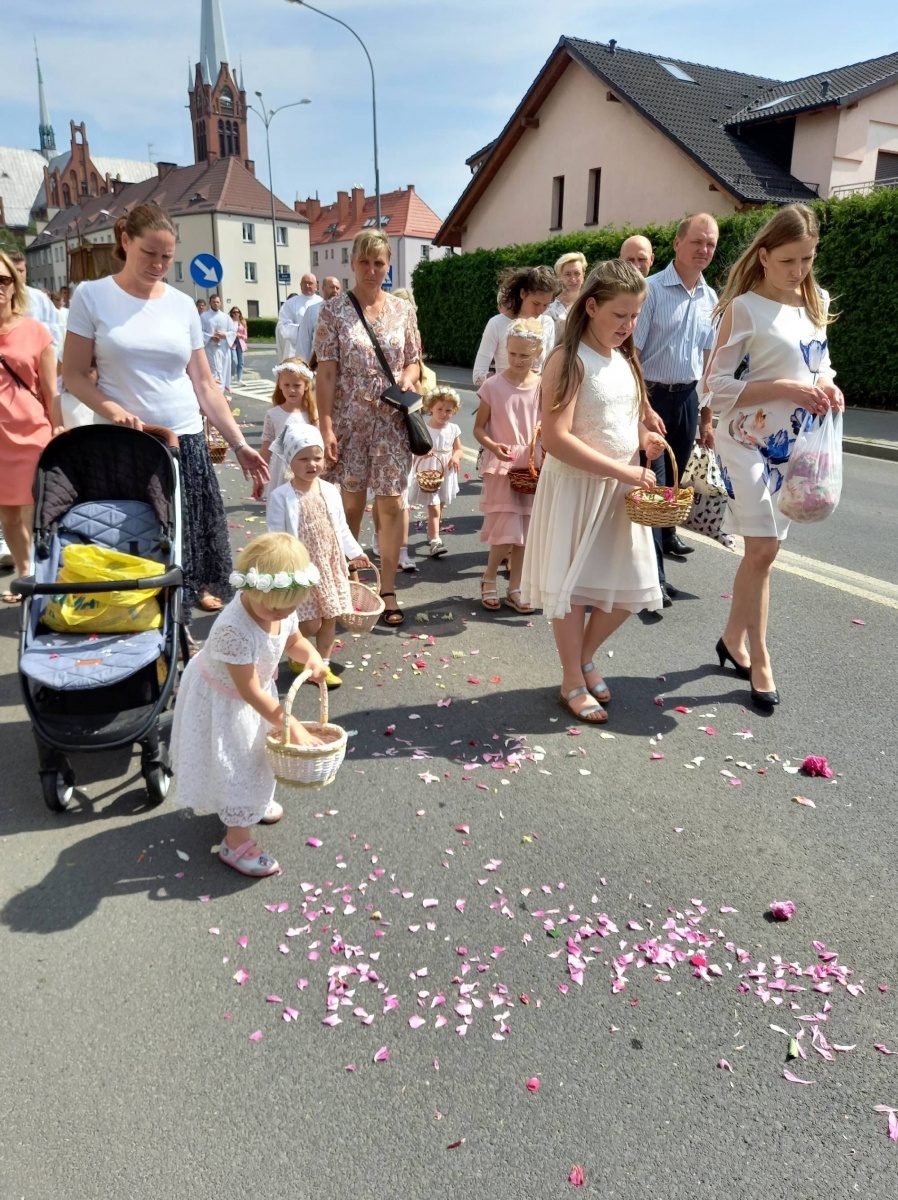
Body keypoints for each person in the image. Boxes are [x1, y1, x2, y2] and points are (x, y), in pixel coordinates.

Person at [64, 202, 268, 616]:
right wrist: (112, 409)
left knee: (189, 528)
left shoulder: (180, 304)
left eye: (166, 257)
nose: (158, 265)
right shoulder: (92, 296)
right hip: (124, 440)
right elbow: (74, 375)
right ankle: (142, 610)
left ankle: (192, 590)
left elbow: (205, 382)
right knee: (135, 533)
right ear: (125, 242)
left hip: (184, 436)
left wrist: (238, 443)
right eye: (148, 254)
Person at [700, 204, 842, 709]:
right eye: (788, 260)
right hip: (747, 442)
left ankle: (732, 638)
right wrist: (783, 386)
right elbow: (714, 387)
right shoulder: (744, 308)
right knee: (763, 550)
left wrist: (828, 385)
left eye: (806, 258)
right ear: (763, 255)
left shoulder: (815, 300)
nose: (799, 270)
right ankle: (759, 656)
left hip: (795, 446)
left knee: (762, 554)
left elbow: (821, 362)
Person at [521, 261, 665, 724]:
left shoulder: (622, 358)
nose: (628, 325)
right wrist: (621, 470)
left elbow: (618, 418)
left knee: (633, 588)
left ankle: (581, 660)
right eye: (620, 315)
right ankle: (571, 679)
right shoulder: (568, 358)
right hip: (579, 488)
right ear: (592, 306)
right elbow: (556, 439)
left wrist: (644, 439)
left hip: (617, 490)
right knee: (572, 591)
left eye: (636, 315)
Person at [171, 532, 326, 879]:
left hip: (255, 694)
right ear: (251, 588)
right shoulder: (233, 629)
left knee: (258, 755)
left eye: (291, 606)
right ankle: (235, 839)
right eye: (276, 608)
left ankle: (248, 802)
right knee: (237, 761)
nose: (284, 613)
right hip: (228, 700)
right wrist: (293, 725)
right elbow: (251, 692)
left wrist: (312, 657)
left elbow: (294, 639)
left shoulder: (279, 602)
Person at [314, 228, 421, 628]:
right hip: (350, 424)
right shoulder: (334, 310)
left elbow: (413, 360)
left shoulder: (403, 311)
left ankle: (388, 586)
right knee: (351, 505)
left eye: (379, 262)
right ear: (352, 264)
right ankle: (350, 579)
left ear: (388, 265)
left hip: (393, 423)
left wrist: (409, 378)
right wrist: (325, 425)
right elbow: (325, 374)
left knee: (391, 505)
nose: (371, 270)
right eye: (364, 262)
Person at [633, 213, 720, 597]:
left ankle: (667, 536)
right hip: (651, 396)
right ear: (677, 244)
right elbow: (631, 353)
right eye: (698, 242)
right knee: (657, 484)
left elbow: (708, 364)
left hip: (687, 397)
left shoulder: (710, 297)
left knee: (677, 474)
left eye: (711, 244)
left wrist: (707, 418)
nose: (704, 250)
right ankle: (655, 575)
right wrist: (641, 407)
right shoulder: (649, 290)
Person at [267, 424, 369, 689]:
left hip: (330, 563)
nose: (312, 464)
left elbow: (341, 528)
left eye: (317, 457)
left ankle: (322, 663)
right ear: (290, 460)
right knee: (310, 623)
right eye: (303, 458)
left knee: (330, 617)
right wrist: (283, 567)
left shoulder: (330, 490)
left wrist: (356, 552)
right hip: (302, 567)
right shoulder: (281, 496)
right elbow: (277, 535)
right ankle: (298, 653)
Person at [473, 317, 545, 614]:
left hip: (532, 464)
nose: (517, 360)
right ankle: (489, 577)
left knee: (526, 532)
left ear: (538, 353)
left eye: (524, 355)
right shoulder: (492, 385)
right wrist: (493, 446)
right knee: (506, 530)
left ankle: (516, 587)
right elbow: (479, 429)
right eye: (512, 353)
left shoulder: (544, 386)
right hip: (502, 466)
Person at [0, 250, 58, 594]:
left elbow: (51, 392)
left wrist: (59, 430)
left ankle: (42, 575)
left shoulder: (35, 331)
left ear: (14, 285)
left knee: (31, 514)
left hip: (32, 434)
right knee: (7, 515)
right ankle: (24, 573)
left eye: (3, 280)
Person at [472, 266, 558, 387]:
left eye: (546, 305)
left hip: (535, 398)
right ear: (523, 293)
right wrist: (510, 380)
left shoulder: (547, 322)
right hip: (503, 398)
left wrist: (538, 377)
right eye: (536, 303)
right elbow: (478, 376)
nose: (541, 310)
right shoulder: (497, 323)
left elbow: (549, 368)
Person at [407, 386, 463, 558]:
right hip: (428, 469)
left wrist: (456, 457)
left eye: (448, 410)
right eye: (439, 409)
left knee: (441, 504)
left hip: (444, 470)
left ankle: (432, 531)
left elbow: (459, 449)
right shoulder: (424, 426)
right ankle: (435, 541)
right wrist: (422, 452)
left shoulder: (453, 429)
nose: (444, 414)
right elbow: (413, 449)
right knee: (435, 507)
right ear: (430, 408)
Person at [259, 358, 318, 496]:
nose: (291, 390)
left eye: (297, 385)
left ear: (306, 385)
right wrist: (260, 477)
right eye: (286, 385)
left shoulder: (313, 414)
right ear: (280, 385)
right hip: (281, 472)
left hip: (308, 470)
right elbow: (266, 448)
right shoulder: (273, 414)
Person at [8, 251, 62, 359]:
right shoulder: (3, 297)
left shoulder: (39, 297)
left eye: (21, 270)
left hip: (37, 356)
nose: (18, 274)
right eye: (14, 270)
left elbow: (56, 327)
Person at [297, 276, 341, 364]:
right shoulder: (312, 310)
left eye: (337, 288)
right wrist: (302, 366)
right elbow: (304, 339)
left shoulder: (344, 311)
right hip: (319, 363)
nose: (335, 290)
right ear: (323, 288)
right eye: (332, 287)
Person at [276, 273, 319, 358]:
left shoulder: (322, 303)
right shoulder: (290, 303)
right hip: (295, 350)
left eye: (310, 283)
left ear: (316, 286)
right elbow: (283, 325)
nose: (307, 285)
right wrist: (303, 329)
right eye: (304, 283)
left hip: (316, 349)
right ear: (300, 285)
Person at [547, 252, 587, 338]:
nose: (573, 279)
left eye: (577, 273)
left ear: (583, 276)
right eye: (568, 274)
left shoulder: (590, 304)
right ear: (559, 278)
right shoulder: (551, 310)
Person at [201, 294, 236, 394]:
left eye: (217, 302)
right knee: (214, 371)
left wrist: (223, 334)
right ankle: (215, 393)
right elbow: (199, 332)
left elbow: (233, 332)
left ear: (220, 303)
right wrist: (211, 336)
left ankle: (222, 393)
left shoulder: (226, 317)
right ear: (210, 303)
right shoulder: (204, 317)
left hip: (223, 349)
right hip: (210, 349)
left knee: (223, 370)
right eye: (213, 302)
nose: (216, 304)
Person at [229, 306, 247, 382]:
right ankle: (232, 374)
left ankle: (239, 378)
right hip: (233, 343)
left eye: (237, 312)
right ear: (231, 314)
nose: (236, 314)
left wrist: (240, 335)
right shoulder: (229, 322)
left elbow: (246, 336)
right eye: (234, 312)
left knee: (241, 362)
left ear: (240, 313)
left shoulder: (242, 322)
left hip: (240, 343)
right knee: (234, 361)